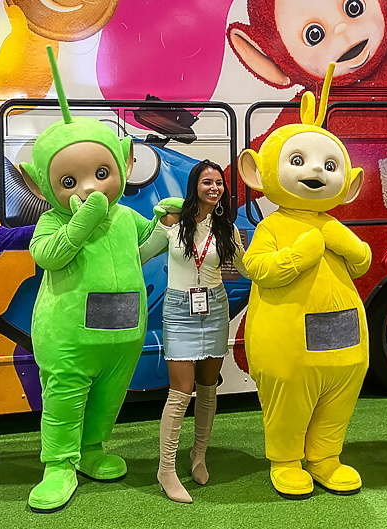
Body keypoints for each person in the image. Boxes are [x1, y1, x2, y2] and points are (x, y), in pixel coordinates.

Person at [141, 159, 248, 503]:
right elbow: (140, 255)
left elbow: (247, 267)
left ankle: (198, 456)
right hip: (178, 310)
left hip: (215, 309)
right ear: (194, 186)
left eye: (219, 183)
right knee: (180, 391)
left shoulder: (227, 229)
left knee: (207, 387)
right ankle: (166, 469)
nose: (214, 188)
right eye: (207, 182)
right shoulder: (173, 221)